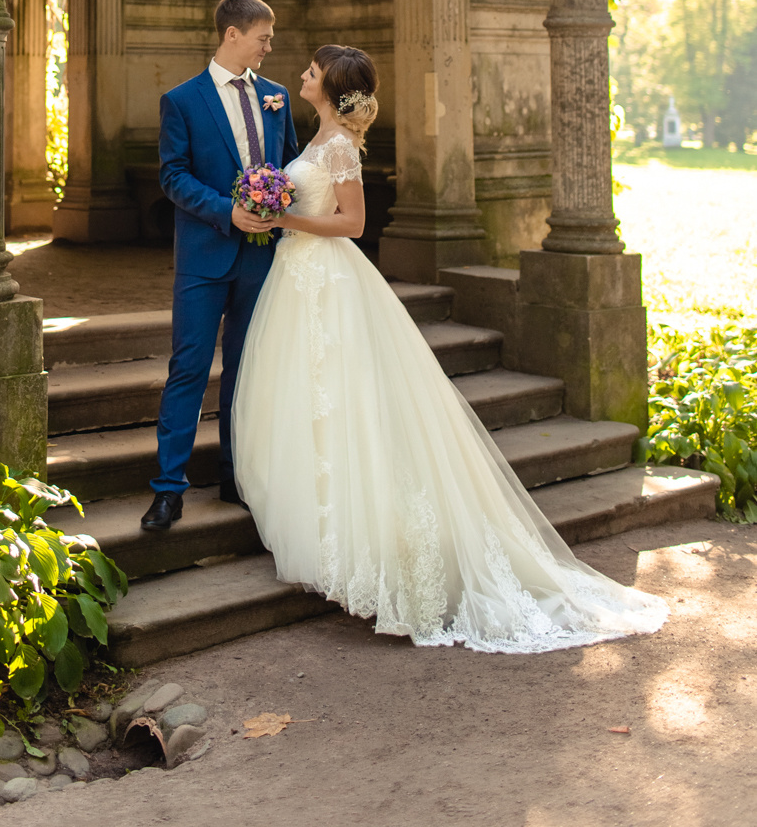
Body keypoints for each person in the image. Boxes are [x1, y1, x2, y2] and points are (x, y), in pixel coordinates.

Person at [232, 44, 668, 653]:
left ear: (329, 85)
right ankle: (331, 543)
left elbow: (354, 223)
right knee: (311, 403)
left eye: (311, 71)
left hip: (326, 279)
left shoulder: (336, 148)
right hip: (297, 278)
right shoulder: (317, 139)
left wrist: (286, 220)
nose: (301, 75)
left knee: (343, 402)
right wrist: (264, 207)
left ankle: (372, 552)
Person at [141, 0, 300, 534]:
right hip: (204, 257)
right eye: (263, 37)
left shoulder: (277, 97)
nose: (269, 46)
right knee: (188, 369)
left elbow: (290, 168)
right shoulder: (182, 100)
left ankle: (237, 476)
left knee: (247, 370)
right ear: (233, 34)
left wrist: (285, 210)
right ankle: (168, 490)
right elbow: (173, 175)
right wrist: (226, 212)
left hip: (263, 260)